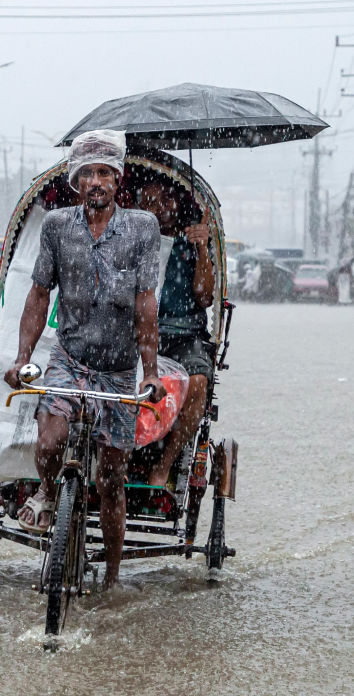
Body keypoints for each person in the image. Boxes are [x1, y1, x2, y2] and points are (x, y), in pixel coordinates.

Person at [3, 129, 165, 590]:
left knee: (113, 476)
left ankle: (112, 578)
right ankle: (51, 494)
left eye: (104, 173)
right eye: (87, 174)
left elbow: (146, 303)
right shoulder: (57, 226)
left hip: (116, 371)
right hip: (68, 360)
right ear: (76, 182)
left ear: (118, 178)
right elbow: (38, 296)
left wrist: (150, 374)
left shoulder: (141, 229)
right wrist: (21, 358)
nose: (96, 181)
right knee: (50, 443)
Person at [136, 181, 216, 487]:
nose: (160, 209)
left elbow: (204, 297)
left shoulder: (189, 241)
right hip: (138, 334)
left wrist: (200, 247)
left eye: (166, 200)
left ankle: (164, 465)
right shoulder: (132, 237)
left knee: (198, 383)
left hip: (184, 336)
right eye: (152, 202)